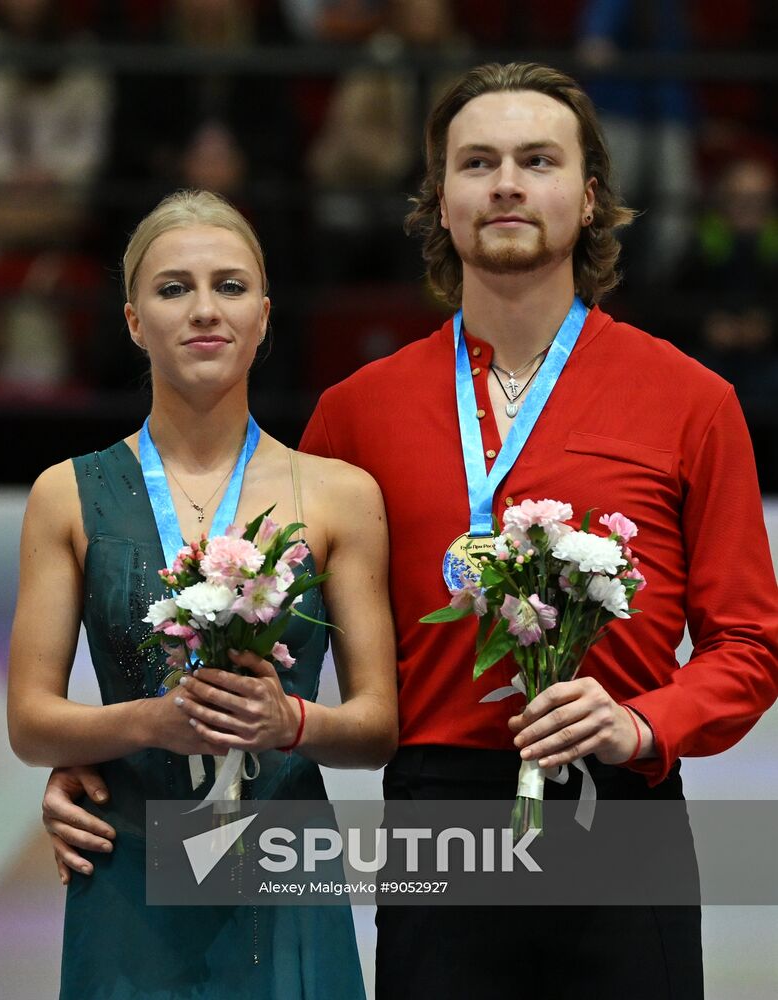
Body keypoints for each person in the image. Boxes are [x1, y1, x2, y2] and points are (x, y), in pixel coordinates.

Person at [39, 62, 778, 999]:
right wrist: (111, 765)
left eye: (537, 160)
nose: (505, 183)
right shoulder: (357, 413)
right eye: (477, 163)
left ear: (590, 196)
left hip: (622, 807)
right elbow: (249, 630)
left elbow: (749, 645)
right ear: (440, 200)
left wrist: (641, 722)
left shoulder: (692, 401)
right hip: (435, 820)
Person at [7, 189, 397, 999]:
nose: (204, 309)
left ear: (263, 315)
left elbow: (377, 727)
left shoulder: (340, 494)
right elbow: (31, 721)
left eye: (230, 286)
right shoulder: (66, 493)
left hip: (284, 867)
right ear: (133, 321)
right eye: (173, 288)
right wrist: (149, 722)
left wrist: (290, 721)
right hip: (128, 867)